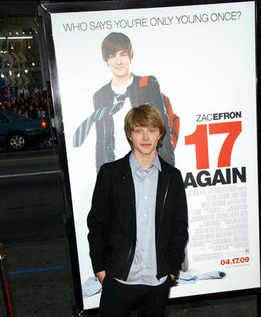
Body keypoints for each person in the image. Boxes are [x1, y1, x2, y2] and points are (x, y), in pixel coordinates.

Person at [87, 105, 188, 317]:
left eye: (151, 130)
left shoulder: (172, 177)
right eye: (138, 130)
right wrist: (101, 270)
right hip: (119, 277)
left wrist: (171, 271)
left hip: (157, 280)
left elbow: (179, 227)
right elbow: (97, 223)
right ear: (129, 134)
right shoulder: (110, 174)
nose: (145, 136)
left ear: (160, 135)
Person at [73, 32, 175, 172]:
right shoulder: (101, 95)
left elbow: (164, 130)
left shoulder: (148, 85)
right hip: (117, 170)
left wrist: (168, 169)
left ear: (130, 56)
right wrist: (102, 176)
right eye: (112, 56)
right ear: (106, 60)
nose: (118, 61)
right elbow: (101, 141)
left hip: (149, 167)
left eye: (122, 54)